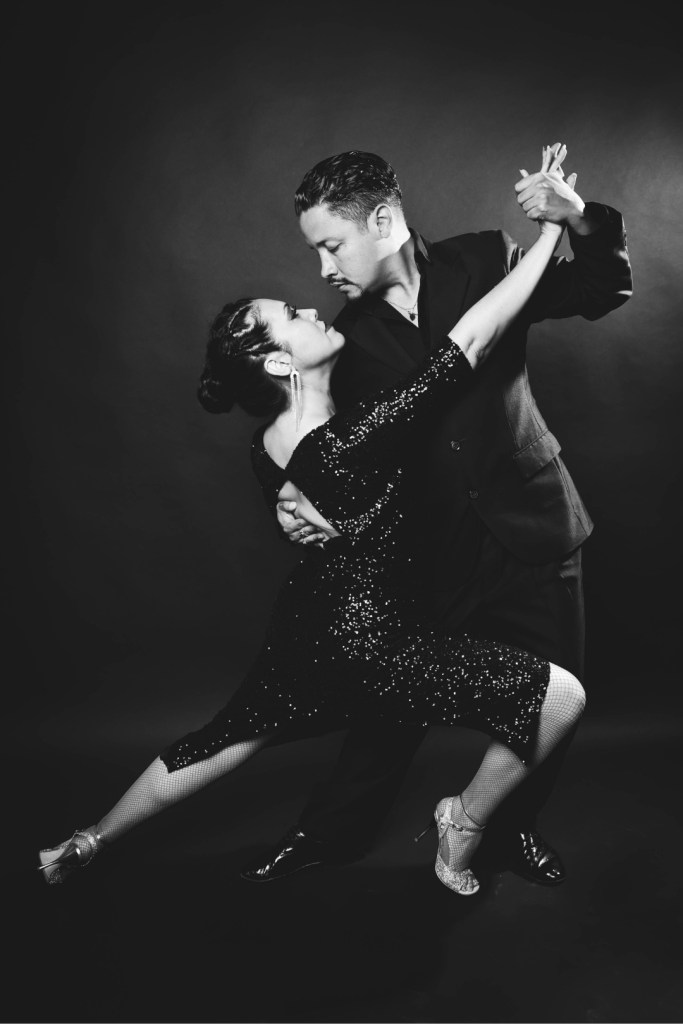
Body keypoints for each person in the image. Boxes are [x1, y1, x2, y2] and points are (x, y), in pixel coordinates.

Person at [39, 152, 585, 897]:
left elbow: (295, 483)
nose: (312, 302)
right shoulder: (350, 434)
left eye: (326, 254)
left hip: (307, 625)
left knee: (225, 736)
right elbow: (472, 341)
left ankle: (85, 841)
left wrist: (292, 505)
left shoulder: (274, 444)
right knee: (559, 697)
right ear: (276, 365)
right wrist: (551, 232)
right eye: (290, 317)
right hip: (370, 633)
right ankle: (460, 822)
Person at [245, 143, 632, 886]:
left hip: (535, 519)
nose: (322, 269)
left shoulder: (485, 258)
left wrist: (577, 217)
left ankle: (509, 830)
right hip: (431, 546)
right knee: (389, 708)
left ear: (380, 220)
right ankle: (329, 834)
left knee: (554, 696)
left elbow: (599, 288)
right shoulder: (343, 337)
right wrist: (287, 495)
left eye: (332, 245)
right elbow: (317, 435)